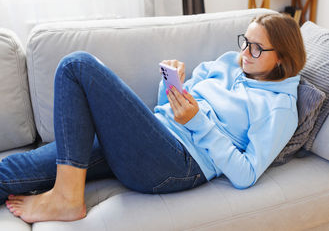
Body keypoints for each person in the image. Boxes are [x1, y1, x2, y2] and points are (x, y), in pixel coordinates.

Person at [1, 13, 306, 223]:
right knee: (13, 170)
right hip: (152, 136)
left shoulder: (278, 107)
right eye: (245, 41)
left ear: (281, 57)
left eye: (256, 48)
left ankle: (67, 199)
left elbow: (247, 174)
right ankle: (65, 192)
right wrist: (172, 88)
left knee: (76, 66)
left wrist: (197, 121)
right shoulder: (230, 62)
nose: (244, 53)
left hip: (178, 163)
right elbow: (175, 111)